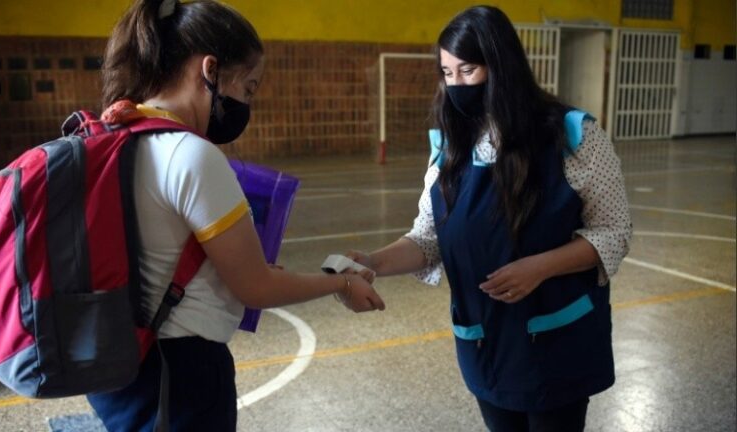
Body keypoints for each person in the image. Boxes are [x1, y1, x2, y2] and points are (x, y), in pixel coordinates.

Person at [86, 1, 385, 431]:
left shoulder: (123, 131)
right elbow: (256, 288)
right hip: (181, 370)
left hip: (123, 358)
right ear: (210, 69)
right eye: (248, 87)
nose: (246, 102)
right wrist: (342, 283)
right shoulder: (191, 155)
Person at [346, 5, 631, 432]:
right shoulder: (450, 148)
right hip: (485, 342)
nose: (457, 85)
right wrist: (373, 261)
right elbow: (428, 238)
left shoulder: (573, 136)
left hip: (555, 341)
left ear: (501, 67)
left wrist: (539, 267)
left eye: (468, 70)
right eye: (447, 73)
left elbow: (614, 230)